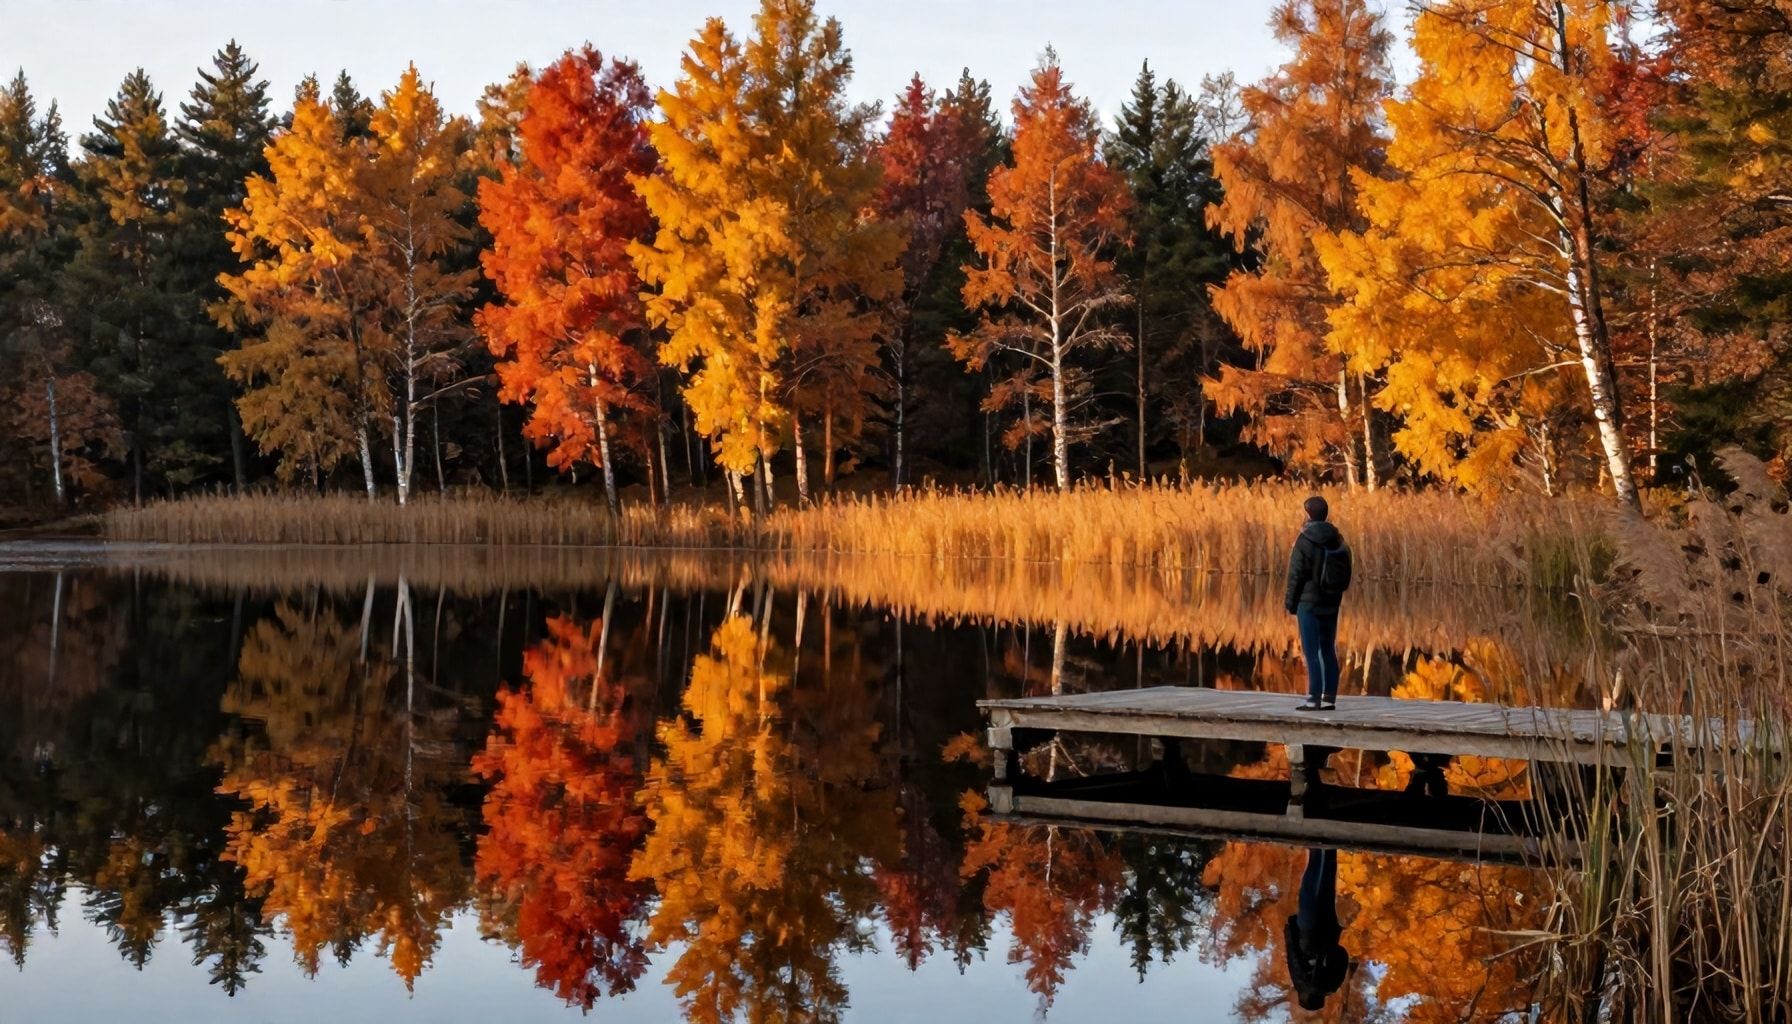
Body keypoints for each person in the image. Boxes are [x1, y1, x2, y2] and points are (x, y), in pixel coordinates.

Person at [1285, 495, 1351, 711]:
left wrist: (1291, 604)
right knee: (1328, 648)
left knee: (1311, 651)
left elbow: (1296, 575)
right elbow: (1347, 571)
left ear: (1308, 514)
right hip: (1331, 600)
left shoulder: (1304, 540)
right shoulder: (1338, 538)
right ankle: (1329, 697)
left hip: (1309, 603)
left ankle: (1313, 699)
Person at [1284, 846, 1350, 1011]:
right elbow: (1293, 957)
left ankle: (1328, 850)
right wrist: (1289, 931)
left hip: (1328, 932)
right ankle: (1318, 849)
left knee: (1325, 891)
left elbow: (1342, 955)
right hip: (1308, 934)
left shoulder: (1332, 985)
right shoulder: (1307, 985)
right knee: (1310, 891)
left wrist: (1328, 951)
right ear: (1306, 998)